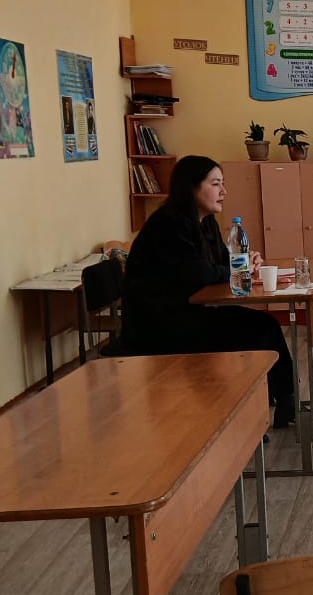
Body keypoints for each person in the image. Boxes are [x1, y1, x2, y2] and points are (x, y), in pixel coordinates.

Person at [122, 155, 296, 426]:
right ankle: (268, 406)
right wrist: (239, 270)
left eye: (222, 183)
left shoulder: (205, 222)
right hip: (160, 326)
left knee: (265, 326)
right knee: (259, 330)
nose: (223, 191)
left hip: (188, 315)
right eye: (215, 184)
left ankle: (281, 401)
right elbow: (198, 273)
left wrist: (245, 261)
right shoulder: (168, 224)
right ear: (191, 188)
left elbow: (221, 264)